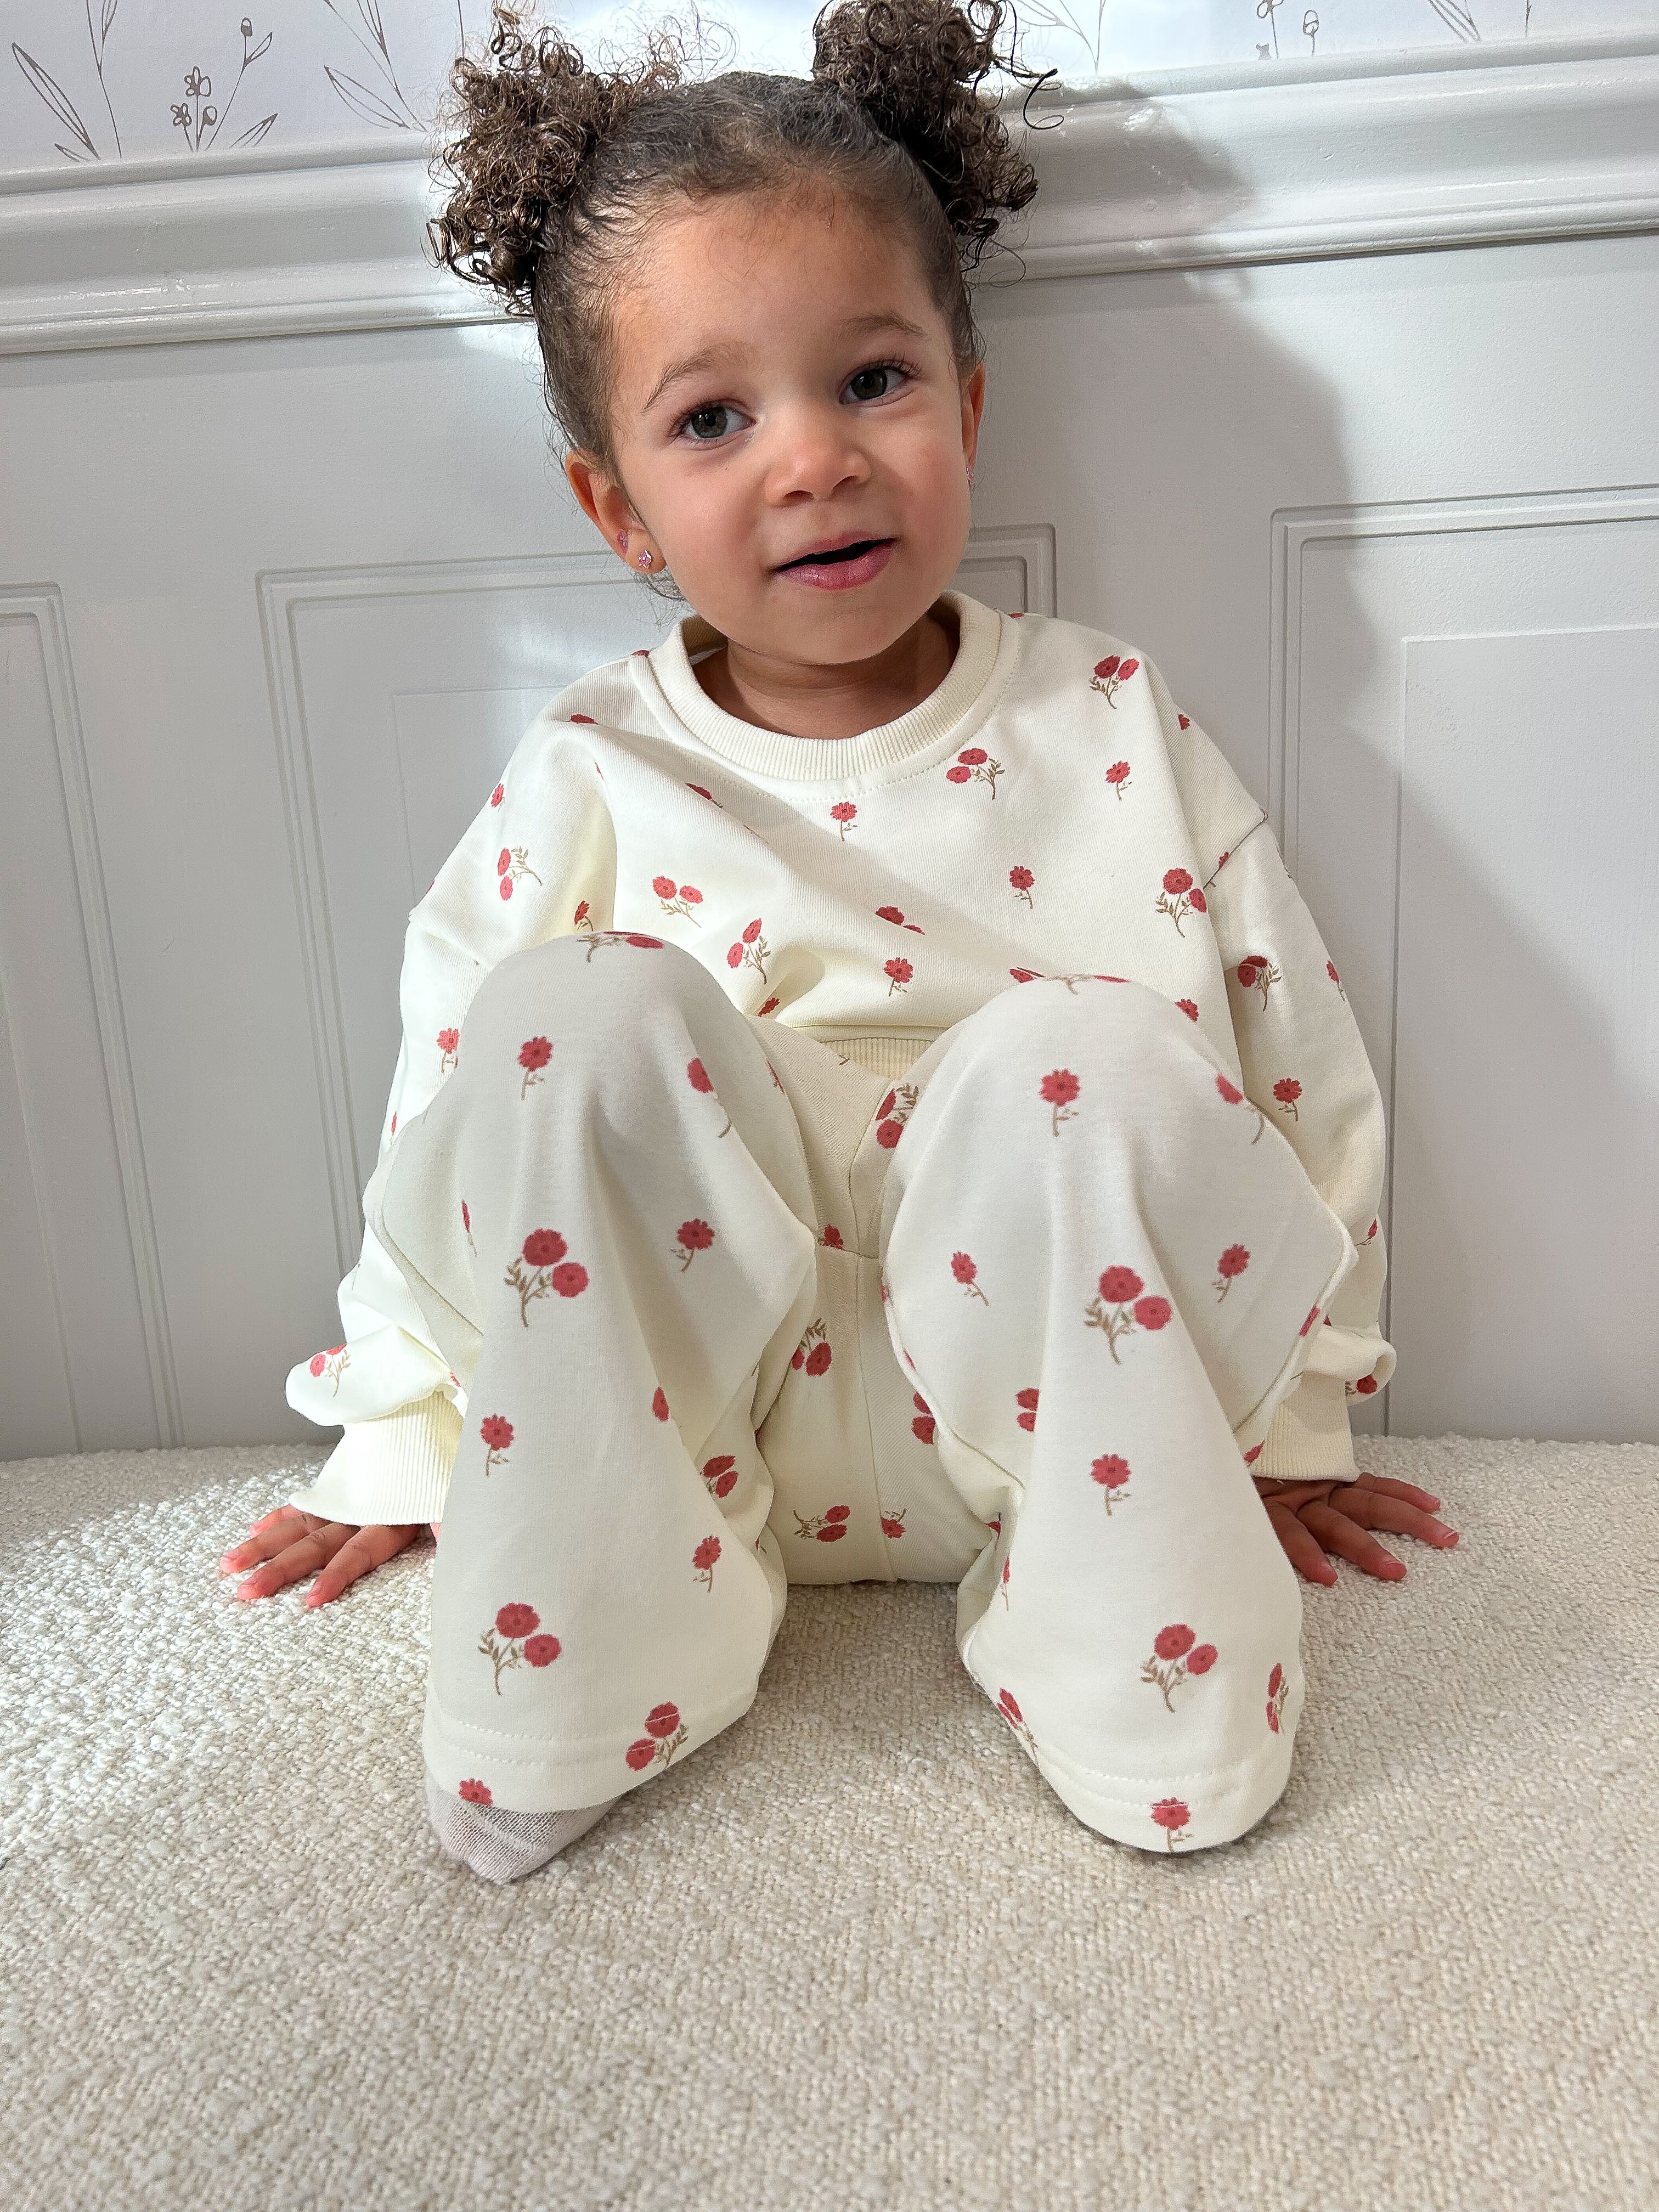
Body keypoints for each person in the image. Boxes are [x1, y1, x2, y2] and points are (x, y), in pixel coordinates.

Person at [221, 0, 1459, 1881]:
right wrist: (400, 1434)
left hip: (1059, 1440)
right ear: (616, 504)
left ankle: (1147, 1693)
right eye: (715, 419)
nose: (811, 460)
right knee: (566, 1016)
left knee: (1097, 1053)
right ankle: (577, 1670)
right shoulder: (593, 765)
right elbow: (452, 1115)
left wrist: (1296, 1416)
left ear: (964, 407)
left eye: (870, 382)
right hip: (694, 1428)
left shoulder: (1107, 719)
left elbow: (1294, 1063)